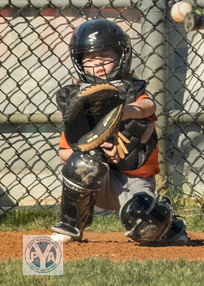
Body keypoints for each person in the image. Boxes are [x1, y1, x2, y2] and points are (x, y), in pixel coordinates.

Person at [51, 19, 188, 245]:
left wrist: (122, 112)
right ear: (78, 63)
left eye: (106, 57)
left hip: (133, 181)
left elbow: (149, 107)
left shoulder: (133, 92)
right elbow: (65, 154)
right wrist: (99, 155)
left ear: (122, 57)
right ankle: (70, 227)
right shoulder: (79, 103)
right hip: (97, 182)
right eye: (90, 60)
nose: (98, 66)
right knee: (81, 163)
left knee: (147, 225)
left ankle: (167, 222)